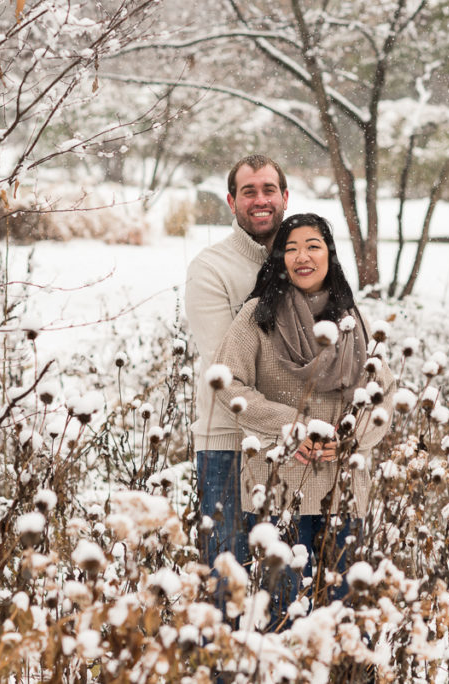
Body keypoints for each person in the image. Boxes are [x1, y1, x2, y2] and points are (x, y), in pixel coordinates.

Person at [211, 212, 394, 626]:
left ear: (329, 253)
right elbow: (228, 385)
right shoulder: (257, 315)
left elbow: (383, 394)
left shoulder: (353, 318)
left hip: (343, 487)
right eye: (290, 249)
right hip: (279, 486)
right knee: (282, 614)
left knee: (344, 616)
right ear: (279, 259)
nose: (302, 257)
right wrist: (290, 428)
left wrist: (349, 438)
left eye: (313, 246)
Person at [185, 154, 289, 567]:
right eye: (249, 191)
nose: (259, 200)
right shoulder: (210, 269)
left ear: (285, 197)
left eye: (268, 190)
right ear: (231, 201)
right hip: (228, 448)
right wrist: (296, 421)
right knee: (229, 581)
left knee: (289, 588)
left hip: (293, 449)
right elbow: (224, 375)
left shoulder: (308, 259)